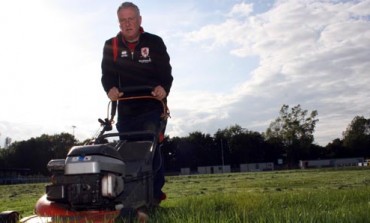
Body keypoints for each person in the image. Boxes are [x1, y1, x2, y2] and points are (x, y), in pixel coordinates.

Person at [101, 2, 173, 205]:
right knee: (128, 153)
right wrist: (110, 89)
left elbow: (166, 73)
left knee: (151, 151)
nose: (127, 23)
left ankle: (154, 197)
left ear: (139, 20)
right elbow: (107, 76)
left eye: (131, 19)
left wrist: (163, 88)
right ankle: (131, 197)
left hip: (152, 105)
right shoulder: (111, 45)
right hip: (126, 108)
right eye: (123, 20)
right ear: (119, 23)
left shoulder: (154, 42)